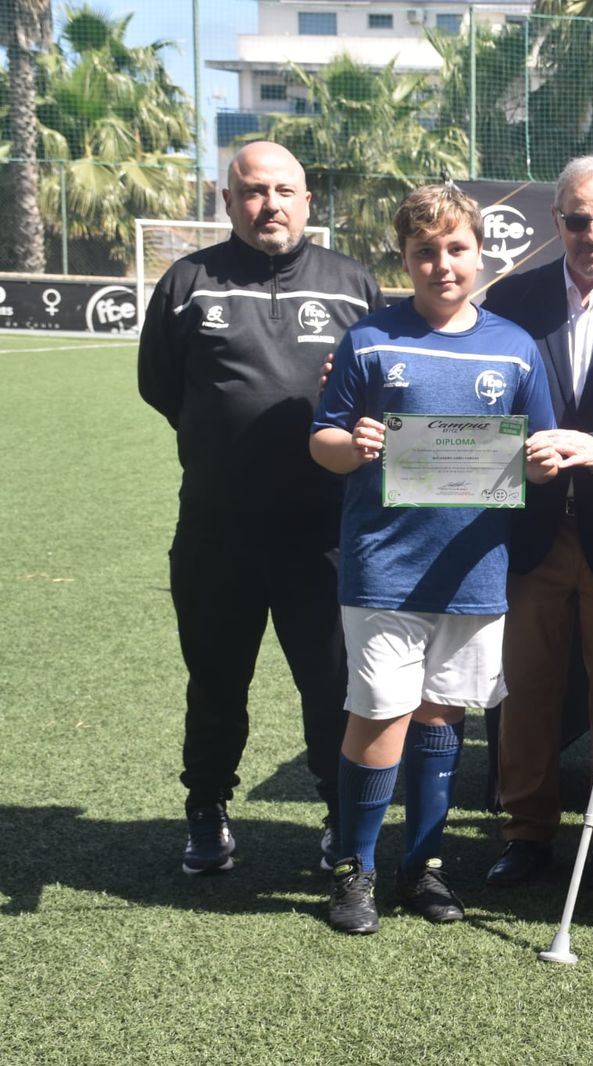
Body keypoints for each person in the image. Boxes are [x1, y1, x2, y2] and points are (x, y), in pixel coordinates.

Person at [309, 184, 556, 934]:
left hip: (473, 570)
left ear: (481, 255)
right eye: (425, 252)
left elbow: (537, 452)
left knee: (441, 716)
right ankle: (356, 870)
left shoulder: (515, 347)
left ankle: (424, 867)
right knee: (378, 715)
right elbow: (321, 440)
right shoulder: (369, 340)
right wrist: (352, 446)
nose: (441, 265)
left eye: (456, 249)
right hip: (384, 566)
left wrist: (544, 459)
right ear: (404, 258)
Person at [137, 140, 383, 875]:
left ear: (310, 200)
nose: (268, 204)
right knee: (216, 680)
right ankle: (207, 810)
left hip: (327, 533)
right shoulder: (187, 282)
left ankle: (341, 819)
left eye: (283, 190)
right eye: (252, 191)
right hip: (218, 531)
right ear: (227, 201)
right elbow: (161, 388)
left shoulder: (353, 285)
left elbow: (380, 390)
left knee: (332, 685)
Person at [476, 156, 593, 891]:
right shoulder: (513, 300)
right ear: (555, 221)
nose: (592, 234)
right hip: (531, 531)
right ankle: (526, 831)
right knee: (526, 689)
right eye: (578, 219)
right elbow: (476, 397)